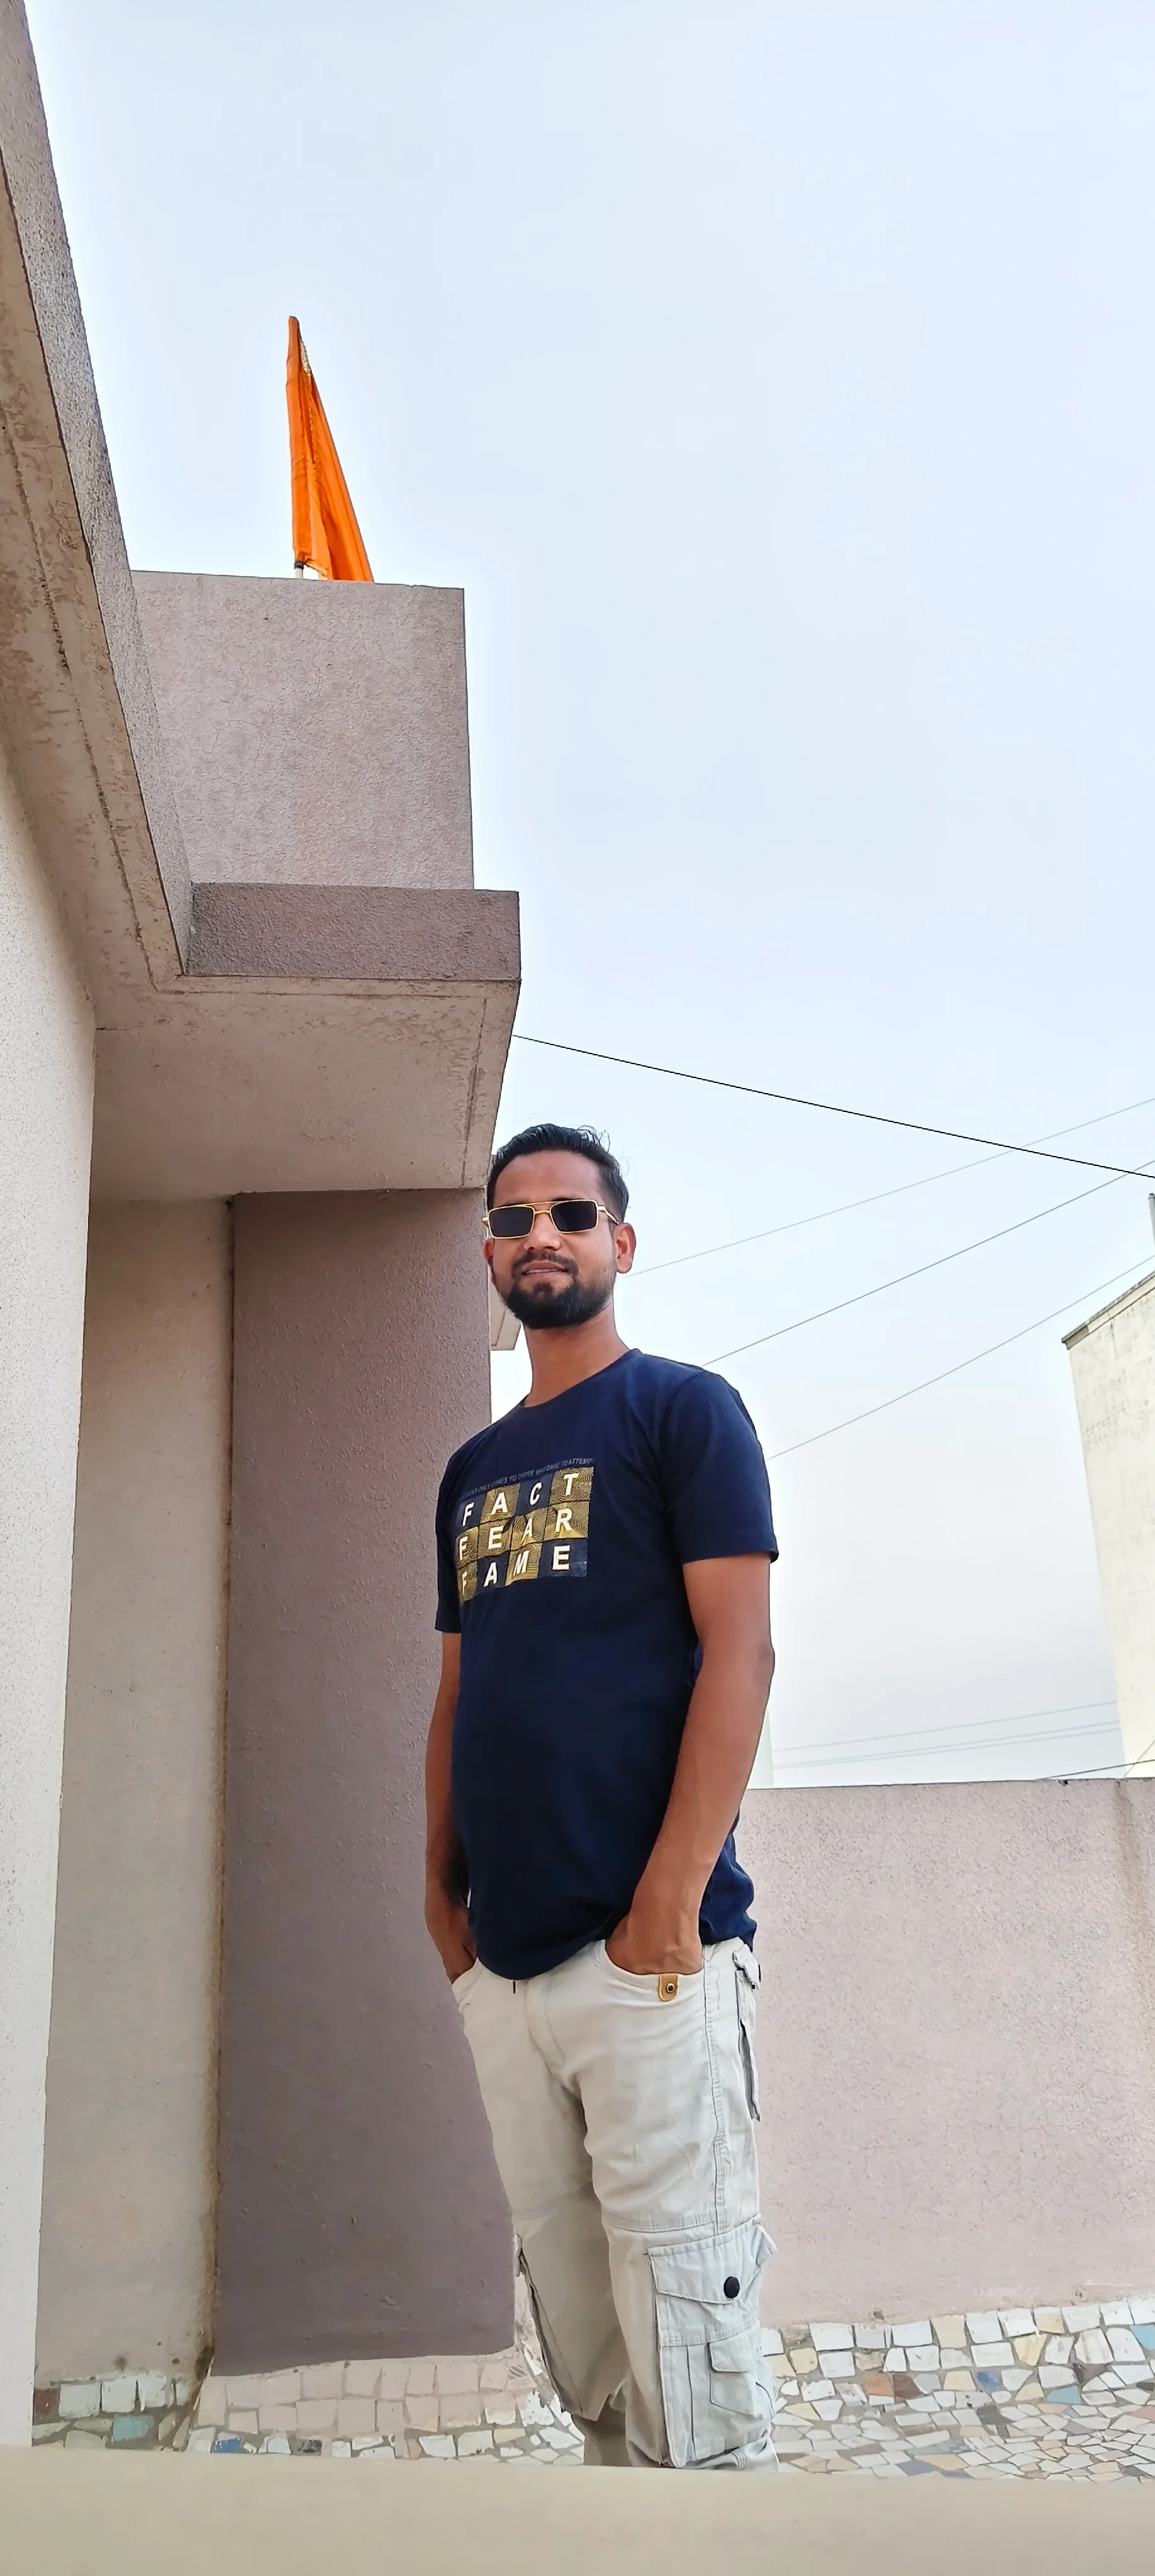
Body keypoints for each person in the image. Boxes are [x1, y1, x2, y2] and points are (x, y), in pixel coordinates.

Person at [424, 1123, 778, 2469]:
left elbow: (741, 1653)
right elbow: (460, 1692)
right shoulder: (471, 1471)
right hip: (506, 1967)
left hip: (650, 1966)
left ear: (619, 1242)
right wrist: (438, 1896)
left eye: (572, 1213)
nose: (543, 1235)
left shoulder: (682, 1411)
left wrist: (668, 1903)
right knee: (585, 2341)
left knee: (688, 2340)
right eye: (515, 1218)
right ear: (489, 1254)